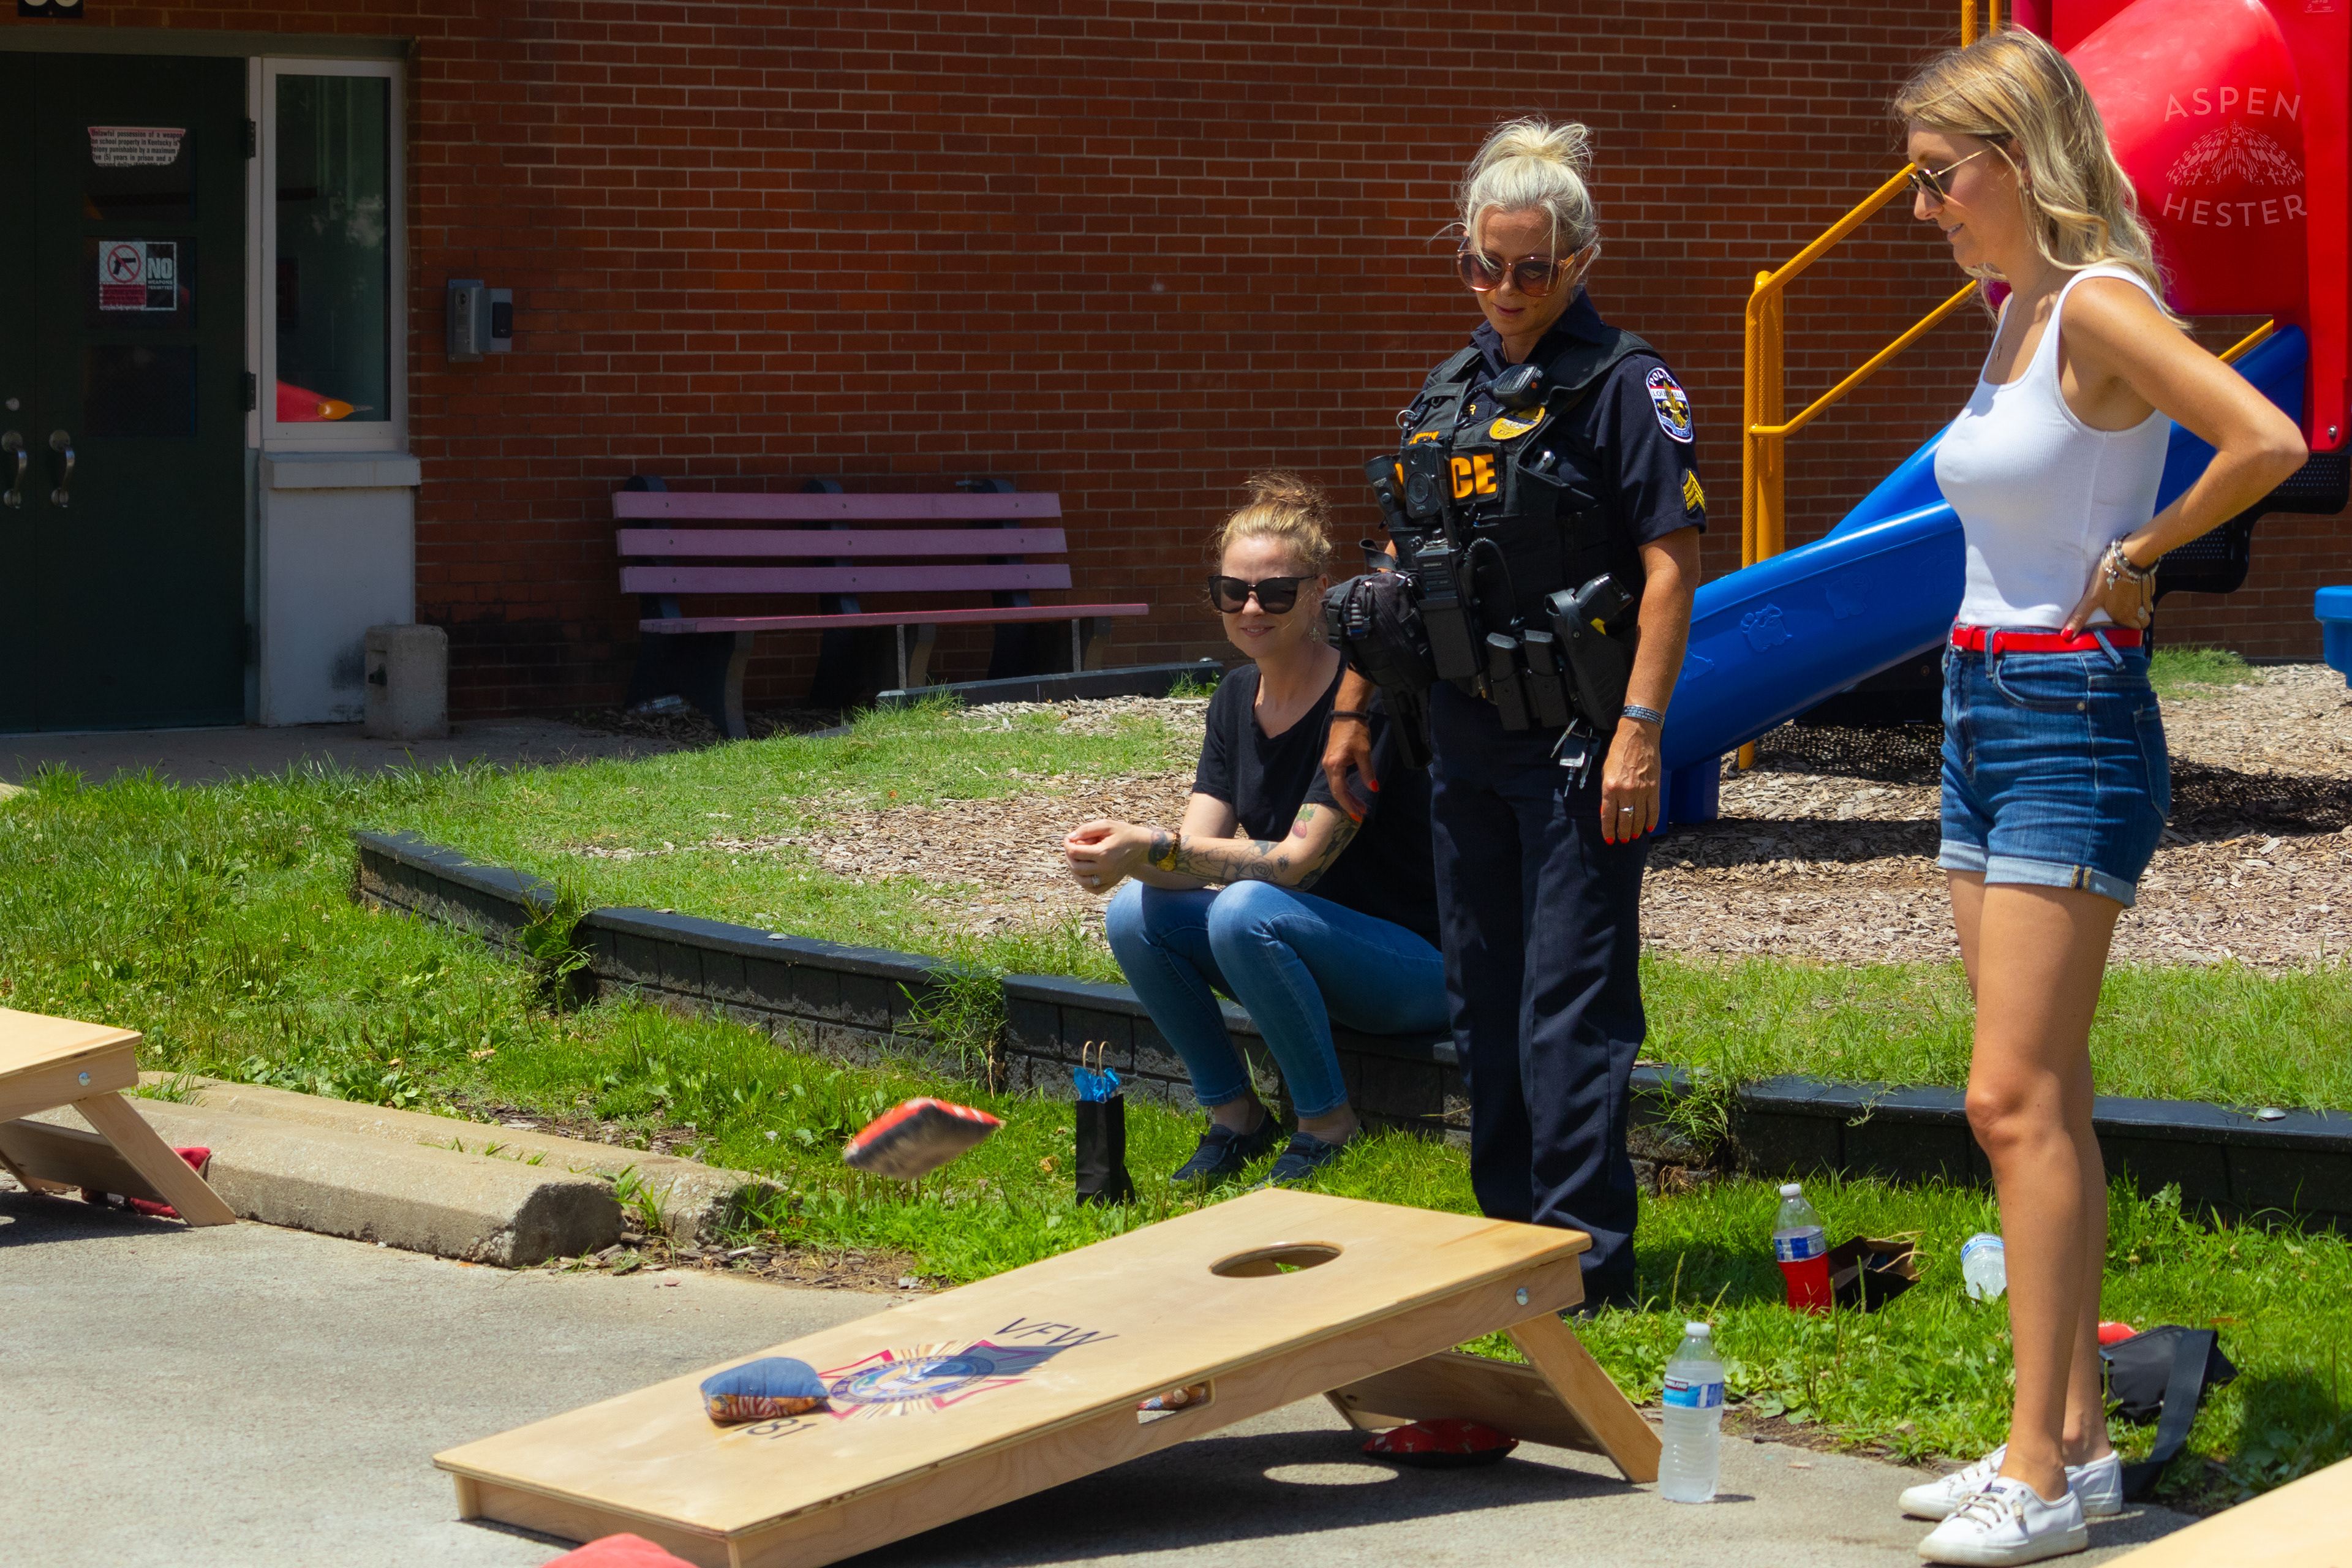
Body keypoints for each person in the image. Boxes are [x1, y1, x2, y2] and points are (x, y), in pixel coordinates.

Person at [1883, 31, 2306, 1567]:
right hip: (1979, 699)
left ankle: (2038, 1474)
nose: (1923, 207)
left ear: (2016, 158)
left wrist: (2134, 561)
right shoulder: (2008, 319)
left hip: (2065, 708)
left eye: (1939, 177)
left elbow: (2263, 436)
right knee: (2033, 1098)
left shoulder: (2100, 303)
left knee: (2007, 1096)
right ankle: (2064, 1438)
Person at [1321, 119, 1703, 1311]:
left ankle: (1585, 1261)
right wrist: (1350, 714)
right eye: (1483, 265)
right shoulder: (1450, 390)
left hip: (1581, 746)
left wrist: (1642, 730)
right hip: (1462, 744)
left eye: (1530, 269)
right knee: (1483, 997)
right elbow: (1399, 569)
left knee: (1566, 1008)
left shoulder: (1622, 387)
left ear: (1579, 260)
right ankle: (1504, 1248)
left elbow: (1672, 568)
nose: (1504, 289)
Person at [1065, 474, 1447, 1186]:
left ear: (1319, 593)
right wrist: (1119, 856)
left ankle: (1329, 1124)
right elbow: (1188, 860)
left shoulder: (1365, 705)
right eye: (1231, 591)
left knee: (1245, 909)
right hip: (1301, 950)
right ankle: (1236, 1115)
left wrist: (1147, 845)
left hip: (1413, 968)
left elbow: (1298, 863)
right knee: (1134, 914)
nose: (1250, 608)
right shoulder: (1235, 695)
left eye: (1275, 593)